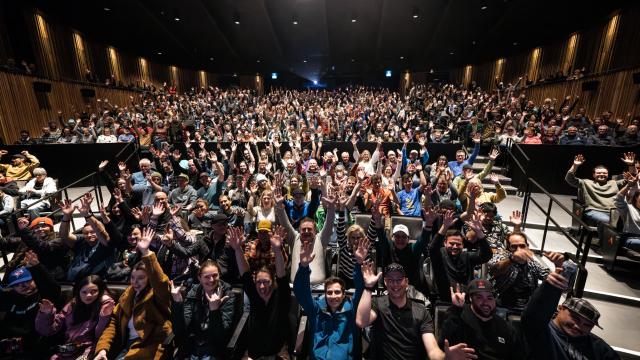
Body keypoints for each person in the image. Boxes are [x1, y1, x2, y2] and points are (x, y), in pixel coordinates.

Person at [355, 262, 476, 360]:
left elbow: (432, 350)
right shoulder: (378, 303)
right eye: (391, 280)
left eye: (399, 279)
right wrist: (368, 287)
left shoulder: (421, 310)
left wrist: (445, 357)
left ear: (406, 282)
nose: (395, 284)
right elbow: (361, 322)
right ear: (385, 282)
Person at [93, 227, 173, 360]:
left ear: (149, 279)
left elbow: (160, 281)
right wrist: (102, 348)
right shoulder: (128, 294)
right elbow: (113, 322)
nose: (135, 282)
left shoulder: (157, 293)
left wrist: (146, 252)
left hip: (150, 346)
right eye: (133, 278)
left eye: (141, 278)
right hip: (126, 346)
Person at [293, 234, 368, 360]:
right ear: (325, 294)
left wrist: (359, 263)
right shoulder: (316, 310)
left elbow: (361, 289)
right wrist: (304, 267)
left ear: (344, 294)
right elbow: (301, 292)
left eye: (337, 292)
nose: (333, 296)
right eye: (329, 292)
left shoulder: (352, 311)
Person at [521, 267, 619, 359]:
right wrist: (550, 286)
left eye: (587, 325)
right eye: (575, 318)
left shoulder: (597, 346)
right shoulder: (541, 330)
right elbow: (534, 314)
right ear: (560, 308)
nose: (578, 326)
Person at [227, 226, 291, 359]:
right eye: (259, 282)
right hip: (254, 354)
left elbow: (281, 275)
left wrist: (278, 250)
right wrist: (238, 249)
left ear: (273, 282)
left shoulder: (281, 296)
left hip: (278, 354)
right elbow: (245, 273)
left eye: (266, 282)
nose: (262, 286)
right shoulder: (255, 295)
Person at [35, 275, 115, 360]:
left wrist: (104, 317)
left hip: (91, 349)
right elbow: (48, 331)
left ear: (100, 291)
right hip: (70, 349)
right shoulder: (73, 304)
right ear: (78, 292)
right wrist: (46, 314)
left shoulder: (106, 305)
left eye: (94, 291)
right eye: (84, 292)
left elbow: (100, 335)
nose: (88, 295)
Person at [0, 251, 62, 360]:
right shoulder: (11, 297)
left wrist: (37, 267)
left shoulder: (44, 294)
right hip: (9, 345)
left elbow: (53, 288)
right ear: (13, 288)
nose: (23, 286)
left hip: (35, 347)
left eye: (27, 281)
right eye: (17, 285)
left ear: (34, 279)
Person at [438, 280, 521, 359]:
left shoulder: (504, 327)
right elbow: (443, 346)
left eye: (489, 298)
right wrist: (456, 308)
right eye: (479, 297)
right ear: (471, 298)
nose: (485, 303)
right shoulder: (459, 316)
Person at [170, 260, 235, 359]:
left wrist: (214, 310)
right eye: (206, 277)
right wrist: (177, 302)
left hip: (215, 349)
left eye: (215, 275)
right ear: (199, 278)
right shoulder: (193, 292)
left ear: (219, 275)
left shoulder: (228, 294)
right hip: (193, 346)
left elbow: (220, 336)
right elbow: (181, 330)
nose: (211, 280)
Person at [489, 233, 564, 311]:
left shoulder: (532, 263)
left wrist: (559, 266)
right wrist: (512, 259)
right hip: (503, 307)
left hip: (528, 309)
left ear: (527, 246)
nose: (519, 250)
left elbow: (553, 281)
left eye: (522, 246)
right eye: (514, 247)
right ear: (508, 248)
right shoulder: (502, 257)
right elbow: (494, 270)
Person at [429, 210, 492, 302]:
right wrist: (445, 226)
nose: (455, 247)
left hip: (467, 300)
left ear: (463, 245)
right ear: (445, 243)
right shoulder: (440, 255)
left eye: (458, 244)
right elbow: (432, 248)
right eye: (452, 243)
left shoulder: (467, 256)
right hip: (445, 299)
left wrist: (479, 232)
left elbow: (487, 255)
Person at [565, 154, 623, 226]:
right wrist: (575, 165)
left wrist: (632, 165)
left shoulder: (614, 183)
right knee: (609, 221)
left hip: (613, 211)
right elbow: (569, 179)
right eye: (598, 173)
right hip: (594, 210)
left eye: (604, 173)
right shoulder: (586, 182)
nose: (601, 174)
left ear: (608, 175)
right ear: (594, 175)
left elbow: (631, 180)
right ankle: (606, 236)